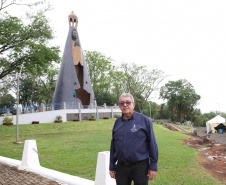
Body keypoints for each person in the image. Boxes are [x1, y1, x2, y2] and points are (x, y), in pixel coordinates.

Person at [109, 93, 158, 185]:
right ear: (119, 106)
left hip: (140, 167)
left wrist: (153, 165)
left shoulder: (144, 120)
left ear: (133, 105)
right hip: (121, 168)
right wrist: (112, 165)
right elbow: (113, 145)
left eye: (128, 102)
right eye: (122, 103)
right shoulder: (117, 122)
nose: (125, 105)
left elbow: (152, 143)